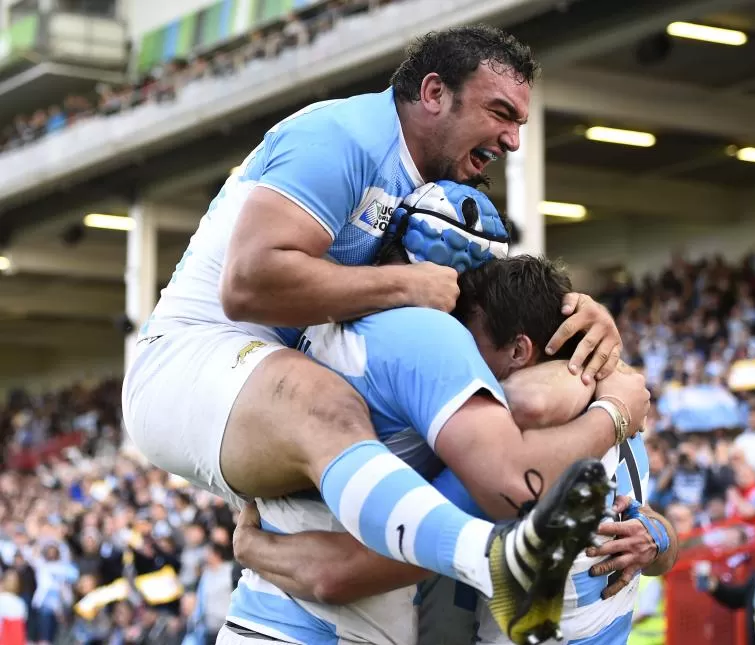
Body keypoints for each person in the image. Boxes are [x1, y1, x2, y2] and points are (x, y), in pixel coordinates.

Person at [122, 25, 625, 642]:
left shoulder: (437, 195)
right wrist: (617, 406)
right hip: (191, 357)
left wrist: (580, 318)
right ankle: (490, 558)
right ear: (435, 93)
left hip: (281, 422)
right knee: (329, 406)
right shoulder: (339, 135)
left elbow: (504, 316)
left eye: (520, 121)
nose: (514, 139)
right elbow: (248, 282)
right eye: (500, 113)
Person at [220, 186, 658, 644]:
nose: (460, 363)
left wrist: (253, 548)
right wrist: (613, 404)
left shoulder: (507, 449)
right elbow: (652, 527)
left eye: (470, 343)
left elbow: (339, 574)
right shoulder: (584, 417)